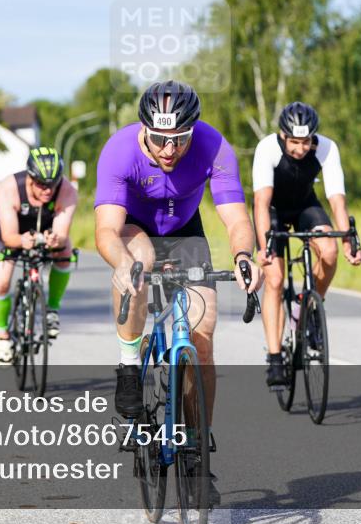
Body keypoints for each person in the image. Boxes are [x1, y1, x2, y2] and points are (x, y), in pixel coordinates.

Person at [94, 80, 262, 502]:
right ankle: (128, 364)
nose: (169, 150)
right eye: (160, 139)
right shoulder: (119, 150)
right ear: (145, 128)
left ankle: (197, 446)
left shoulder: (214, 146)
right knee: (138, 262)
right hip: (136, 229)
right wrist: (120, 262)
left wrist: (244, 255)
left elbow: (236, 217)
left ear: (193, 130)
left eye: (179, 139)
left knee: (202, 338)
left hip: (187, 234)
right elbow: (106, 230)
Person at [252, 102, 361, 386]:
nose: (301, 149)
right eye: (294, 142)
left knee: (329, 250)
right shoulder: (267, 148)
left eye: (306, 142)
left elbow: (337, 199)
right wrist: (265, 247)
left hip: (305, 207)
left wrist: (348, 238)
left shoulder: (326, 147)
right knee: (275, 280)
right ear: (282, 135)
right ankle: (275, 357)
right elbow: (261, 203)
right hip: (273, 212)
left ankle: (309, 306)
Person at [0, 147, 77, 366]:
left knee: (65, 253)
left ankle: (52, 310)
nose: (48, 190)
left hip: (45, 225)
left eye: (53, 183)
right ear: (30, 177)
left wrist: (55, 240)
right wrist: (21, 241)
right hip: (12, 230)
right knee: (1, 283)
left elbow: (62, 232)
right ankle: (3, 338)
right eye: (41, 184)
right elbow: (9, 236)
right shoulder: (8, 188)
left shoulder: (66, 190)